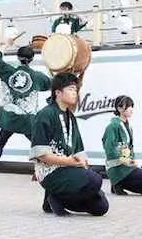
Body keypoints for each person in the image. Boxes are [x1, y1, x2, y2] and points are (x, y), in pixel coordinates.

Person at [31, 72, 108, 217]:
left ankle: (55, 200)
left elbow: (78, 149)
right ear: (58, 93)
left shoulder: (70, 116)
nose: (75, 93)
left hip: (69, 168)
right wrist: (70, 162)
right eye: (71, 89)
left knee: (101, 206)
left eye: (76, 90)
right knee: (95, 180)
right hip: (50, 171)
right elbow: (41, 155)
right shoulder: (45, 115)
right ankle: (54, 197)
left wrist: (83, 166)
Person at [0, 44, 51, 183]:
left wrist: (4, 46)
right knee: (38, 144)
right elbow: (50, 83)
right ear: (32, 59)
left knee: (0, 143)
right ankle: (41, 173)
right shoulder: (36, 76)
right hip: (27, 118)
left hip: (10, 117)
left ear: (17, 57)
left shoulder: (8, 71)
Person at [102, 96, 142, 196]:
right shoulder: (112, 126)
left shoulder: (127, 126)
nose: (131, 109)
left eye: (132, 106)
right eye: (129, 106)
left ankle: (118, 184)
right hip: (117, 166)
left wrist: (131, 160)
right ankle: (116, 182)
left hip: (127, 165)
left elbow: (130, 147)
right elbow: (109, 148)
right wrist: (124, 161)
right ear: (119, 108)